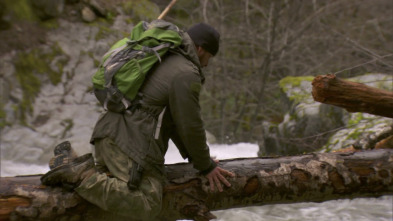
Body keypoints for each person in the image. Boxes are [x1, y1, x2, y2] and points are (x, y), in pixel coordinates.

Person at [41, 22, 234, 220]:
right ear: (200, 48)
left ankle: (72, 167)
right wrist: (207, 167)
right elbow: (190, 124)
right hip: (129, 143)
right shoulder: (186, 73)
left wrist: (199, 160)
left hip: (108, 135)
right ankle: (79, 174)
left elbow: (176, 122)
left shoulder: (161, 58)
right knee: (147, 203)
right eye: (209, 57)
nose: (207, 64)